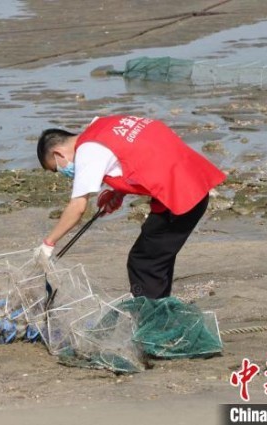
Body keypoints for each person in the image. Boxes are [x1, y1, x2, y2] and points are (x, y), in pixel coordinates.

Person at [33, 115, 225, 300]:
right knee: (155, 257)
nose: (63, 173)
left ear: (58, 154)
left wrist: (48, 243)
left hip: (183, 196)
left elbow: (77, 207)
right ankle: (159, 310)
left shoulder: (88, 150)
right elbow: (137, 153)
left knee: (143, 262)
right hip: (194, 179)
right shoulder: (104, 126)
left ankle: (151, 323)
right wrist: (119, 192)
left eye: (56, 169)